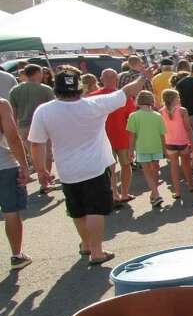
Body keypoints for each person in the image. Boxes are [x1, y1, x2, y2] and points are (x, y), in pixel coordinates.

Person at [28, 69, 144, 265]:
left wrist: (41, 170)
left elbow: (36, 143)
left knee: (77, 210)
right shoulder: (94, 104)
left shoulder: (44, 111)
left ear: (56, 88)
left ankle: (86, 244)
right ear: (79, 87)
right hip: (94, 167)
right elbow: (126, 91)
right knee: (95, 210)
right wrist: (143, 76)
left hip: (66, 170)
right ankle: (97, 251)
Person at [9, 64, 55, 190]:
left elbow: (13, 112)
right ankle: (45, 182)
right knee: (46, 154)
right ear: (36, 73)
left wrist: (15, 128)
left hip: (23, 126)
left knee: (33, 154)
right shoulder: (46, 89)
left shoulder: (15, 90)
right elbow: (52, 109)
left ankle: (41, 176)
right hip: (43, 125)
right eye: (41, 72)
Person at [93, 69, 136, 206]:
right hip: (123, 136)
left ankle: (113, 194)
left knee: (109, 168)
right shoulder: (122, 97)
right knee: (126, 165)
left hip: (102, 138)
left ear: (101, 79)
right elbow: (131, 118)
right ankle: (124, 193)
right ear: (116, 79)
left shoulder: (92, 97)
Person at [0, 96, 31, 270]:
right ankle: (16, 255)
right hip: (4, 166)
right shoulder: (2, 105)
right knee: (11, 212)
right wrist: (25, 166)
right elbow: (13, 138)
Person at [126, 90, 167, 208]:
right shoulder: (157, 115)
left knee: (147, 172)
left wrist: (130, 150)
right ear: (152, 101)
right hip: (156, 146)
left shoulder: (134, 116)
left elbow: (132, 135)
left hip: (142, 147)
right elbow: (162, 135)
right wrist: (165, 149)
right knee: (155, 170)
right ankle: (154, 194)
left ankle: (156, 194)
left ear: (138, 101)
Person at [160, 89, 193, 197]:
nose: (179, 99)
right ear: (175, 99)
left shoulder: (161, 111)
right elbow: (188, 128)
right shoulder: (182, 110)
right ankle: (190, 185)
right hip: (182, 141)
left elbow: (161, 131)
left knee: (174, 167)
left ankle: (177, 191)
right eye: (178, 97)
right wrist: (192, 142)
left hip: (169, 142)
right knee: (186, 164)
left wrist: (163, 146)